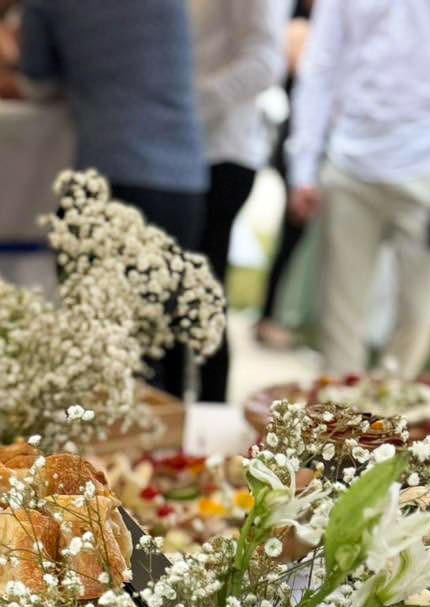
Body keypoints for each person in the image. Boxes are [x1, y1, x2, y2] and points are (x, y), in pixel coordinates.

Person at [287, 0, 430, 378]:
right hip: (350, 159)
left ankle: (391, 407)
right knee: (338, 320)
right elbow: (322, 57)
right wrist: (303, 164)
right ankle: (340, 413)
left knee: (418, 318)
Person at [19, 0, 207, 395]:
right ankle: (171, 433)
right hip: (183, 175)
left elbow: (38, 84)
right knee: (168, 347)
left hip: (109, 170)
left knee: (99, 354)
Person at [189, 0, 285, 401]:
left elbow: (265, 62)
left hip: (222, 151)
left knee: (204, 295)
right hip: (183, 148)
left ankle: (210, 412)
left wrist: (189, 105)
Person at [254, 0, 312, 352]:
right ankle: (269, 316)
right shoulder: (299, 28)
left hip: (310, 145)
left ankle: (280, 314)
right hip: (297, 144)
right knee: (291, 235)